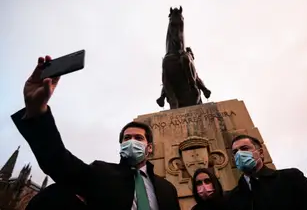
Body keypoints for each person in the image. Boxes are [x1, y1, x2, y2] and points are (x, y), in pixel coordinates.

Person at [11, 56, 181, 210]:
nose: (131, 141)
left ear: (149, 147)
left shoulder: (167, 190)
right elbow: (57, 160)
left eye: (138, 138)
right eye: (126, 138)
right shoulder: (101, 173)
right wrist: (37, 111)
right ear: (121, 145)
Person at [225, 134, 307, 210]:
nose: (239, 154)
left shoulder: (290, 178)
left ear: (261, 153)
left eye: (245, 148)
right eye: (235, 152)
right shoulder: (232, 197)